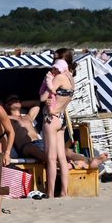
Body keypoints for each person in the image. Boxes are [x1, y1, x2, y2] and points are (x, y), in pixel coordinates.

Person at [4, 96, 106, 171]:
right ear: (7, 105)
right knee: (42, 153)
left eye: (18, 99)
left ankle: (89, 161)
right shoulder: (7, 119)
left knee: (65, 151)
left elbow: (37, 103)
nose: (17, 100)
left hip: (40, 141)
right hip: (26, 146)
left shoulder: (28, 117)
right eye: (13, 99)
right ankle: (66, 166)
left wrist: (20, 103)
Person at [39, 59, 75, 197]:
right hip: (62, 117)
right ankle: (64, 192)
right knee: (62, 159)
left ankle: (50, 193)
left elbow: (43, 97)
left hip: (51, 118)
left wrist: (45, 84)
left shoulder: (58, 78)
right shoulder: (70, 78)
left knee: (51, 158)